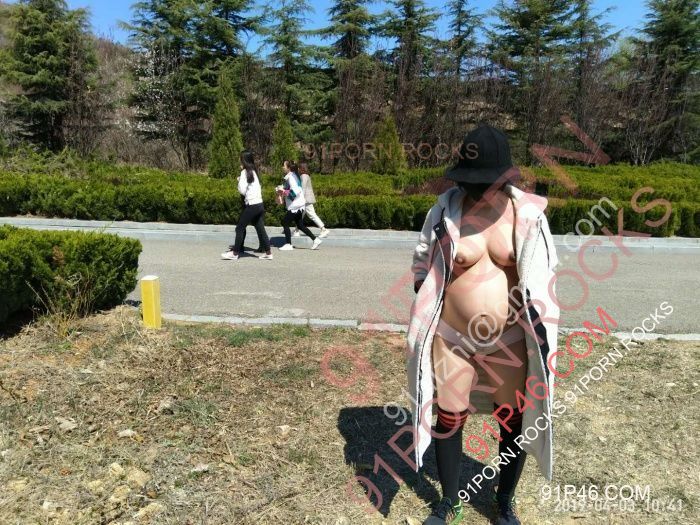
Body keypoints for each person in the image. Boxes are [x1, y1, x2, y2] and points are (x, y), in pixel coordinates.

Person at [407, 125, 560, 525]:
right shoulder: (445, 211)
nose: (475, 191)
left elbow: (546, 268)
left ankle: (504, 500)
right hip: (452, 338)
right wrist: (425, 288)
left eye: (484, 184)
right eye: (469, 182)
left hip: (508, 339)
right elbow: (422, 256)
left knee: (513, 418)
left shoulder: (527, 216)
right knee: (448, 415)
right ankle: (450, 501)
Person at [221, 151, 273, 261]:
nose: (239, 160)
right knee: (260, 229)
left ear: (243, 160)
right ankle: (268, 253)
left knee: (239, 228)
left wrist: (239, 180)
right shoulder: (254, 171)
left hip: (252, 205)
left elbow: (242, 190)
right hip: (259, 204)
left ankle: (235, 253)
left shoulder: (245, 172)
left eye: (240, 158)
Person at [278, 160, 322, 251]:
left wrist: (283, 191)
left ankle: (288, 244)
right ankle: (316, 240)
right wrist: (282, 189)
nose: (282, 167)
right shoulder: (292, 176)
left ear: (288, 168)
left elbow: (295, 192)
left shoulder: (291, 177)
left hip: (296, 205)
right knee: (300, 225)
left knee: (285, 222)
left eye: (284, 165)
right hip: (299, 204)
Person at [293, 163, 330, 238]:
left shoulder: (304, 176)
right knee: (300, 215)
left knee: (311, 215)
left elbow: (303, 188)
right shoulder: (306, 176)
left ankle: (323, 229)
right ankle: (296, 230)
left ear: (301, 168)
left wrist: (299, 199)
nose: (298, 169)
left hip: (305, 200)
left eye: (299, 168)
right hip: (306, 199)